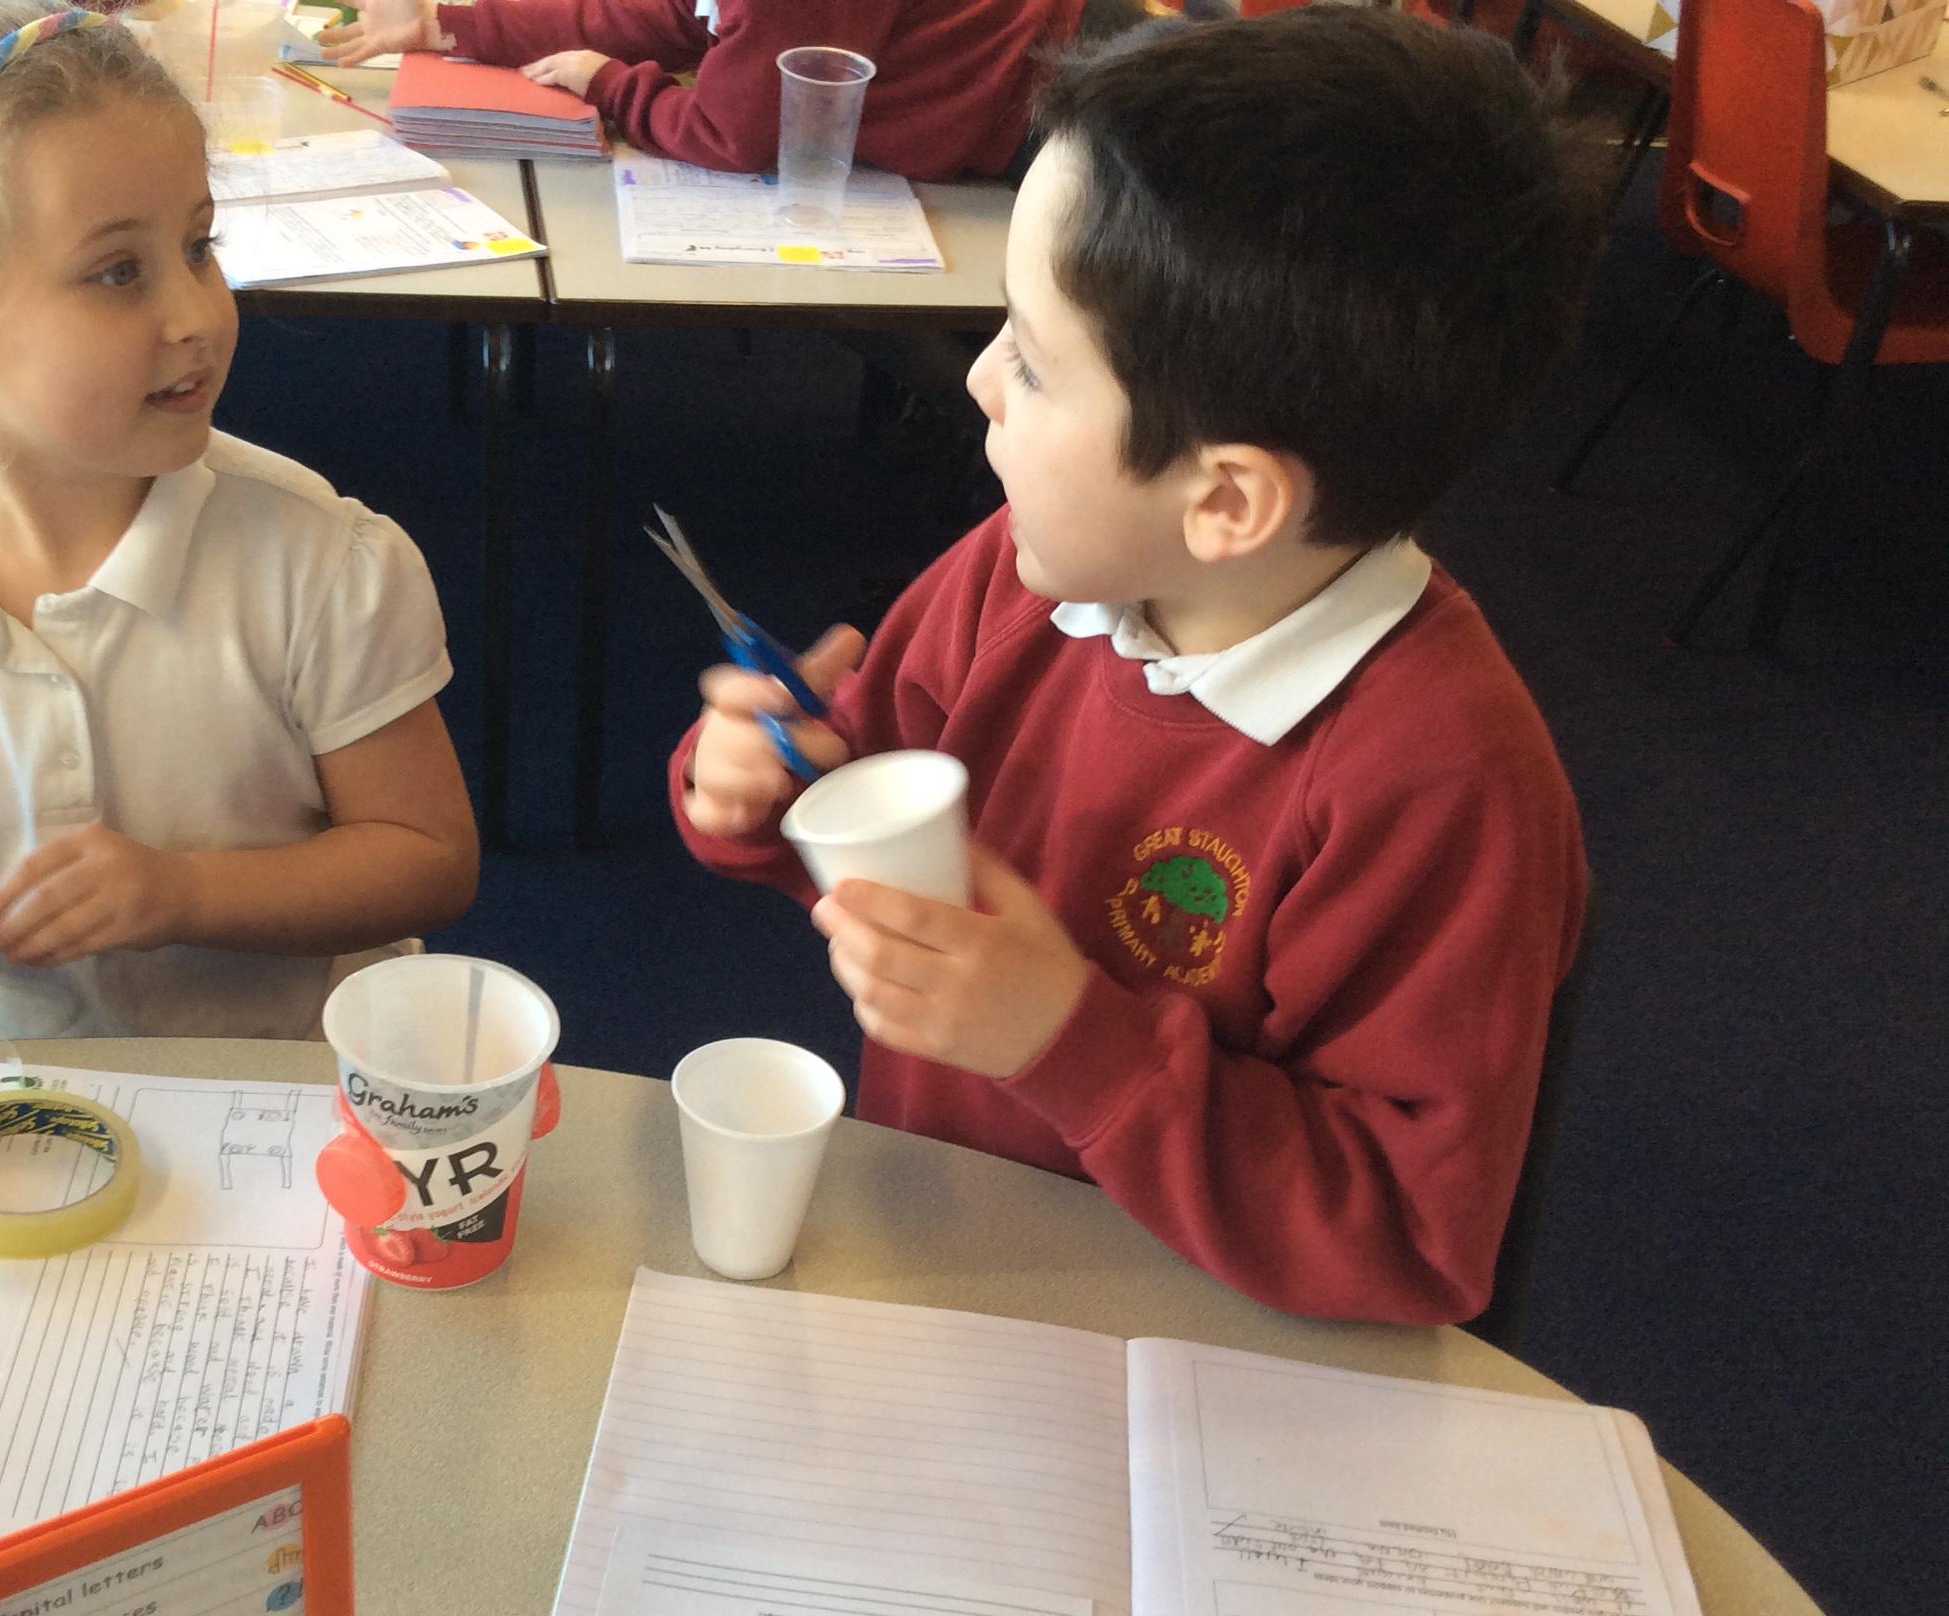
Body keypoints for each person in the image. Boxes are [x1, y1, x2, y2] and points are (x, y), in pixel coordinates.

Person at [670, 8, 1605, 1325]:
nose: (981, 379)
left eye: (1034, 360)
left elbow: (1409, 1235)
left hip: (1207, 1352)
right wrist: (776, 790)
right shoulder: (1026, 576)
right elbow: (873, 804)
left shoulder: (1441, 783)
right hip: (947, 1264)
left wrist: (1068, 1039)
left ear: (1224, 503)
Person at [0, 0, 477, 1044]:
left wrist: (183, 893)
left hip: (288, 1072)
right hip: (6, 1074)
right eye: (119, 272)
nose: (199, 314)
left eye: (199, 245)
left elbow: (429, 859)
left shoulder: (321, 561)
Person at [321, 0, 1084, 182]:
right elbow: (660, 16)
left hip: (1058, 113)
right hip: (1040, 82)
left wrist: (611, 86)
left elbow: (733, 134)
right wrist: (446, 23)